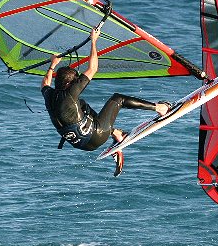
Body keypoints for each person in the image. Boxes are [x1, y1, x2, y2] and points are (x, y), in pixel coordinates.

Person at [41, 27, 169, 176]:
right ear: (69, 84)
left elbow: (44, 83)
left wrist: (52, 64)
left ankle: (116, 133)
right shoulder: (70, 93)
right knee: (118, 99)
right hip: (96, 135)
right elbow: (93, 68)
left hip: (80, 144)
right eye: (76, 81)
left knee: (81, 104)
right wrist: (94, 41)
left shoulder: (49, 95)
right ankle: (160, 108)